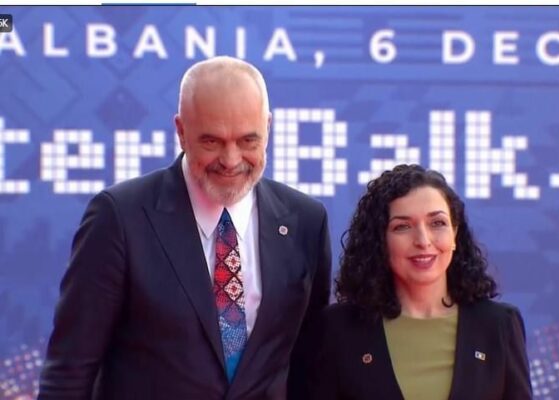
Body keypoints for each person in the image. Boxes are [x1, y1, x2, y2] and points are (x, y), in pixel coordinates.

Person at [38, 56, 331, 399]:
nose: (231, 160)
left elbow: (311, 364)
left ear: (268, 127)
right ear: (181, 131)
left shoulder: (305, 222)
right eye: (212, 142)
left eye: (248, 141)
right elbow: (69, 372)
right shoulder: (120, 218)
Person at [309, 164, 532, 400]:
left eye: (437, 223)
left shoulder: (499, 325)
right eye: (402, 227)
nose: (423, 241)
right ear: (380, 241)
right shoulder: (339, 329)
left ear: (455, 234)